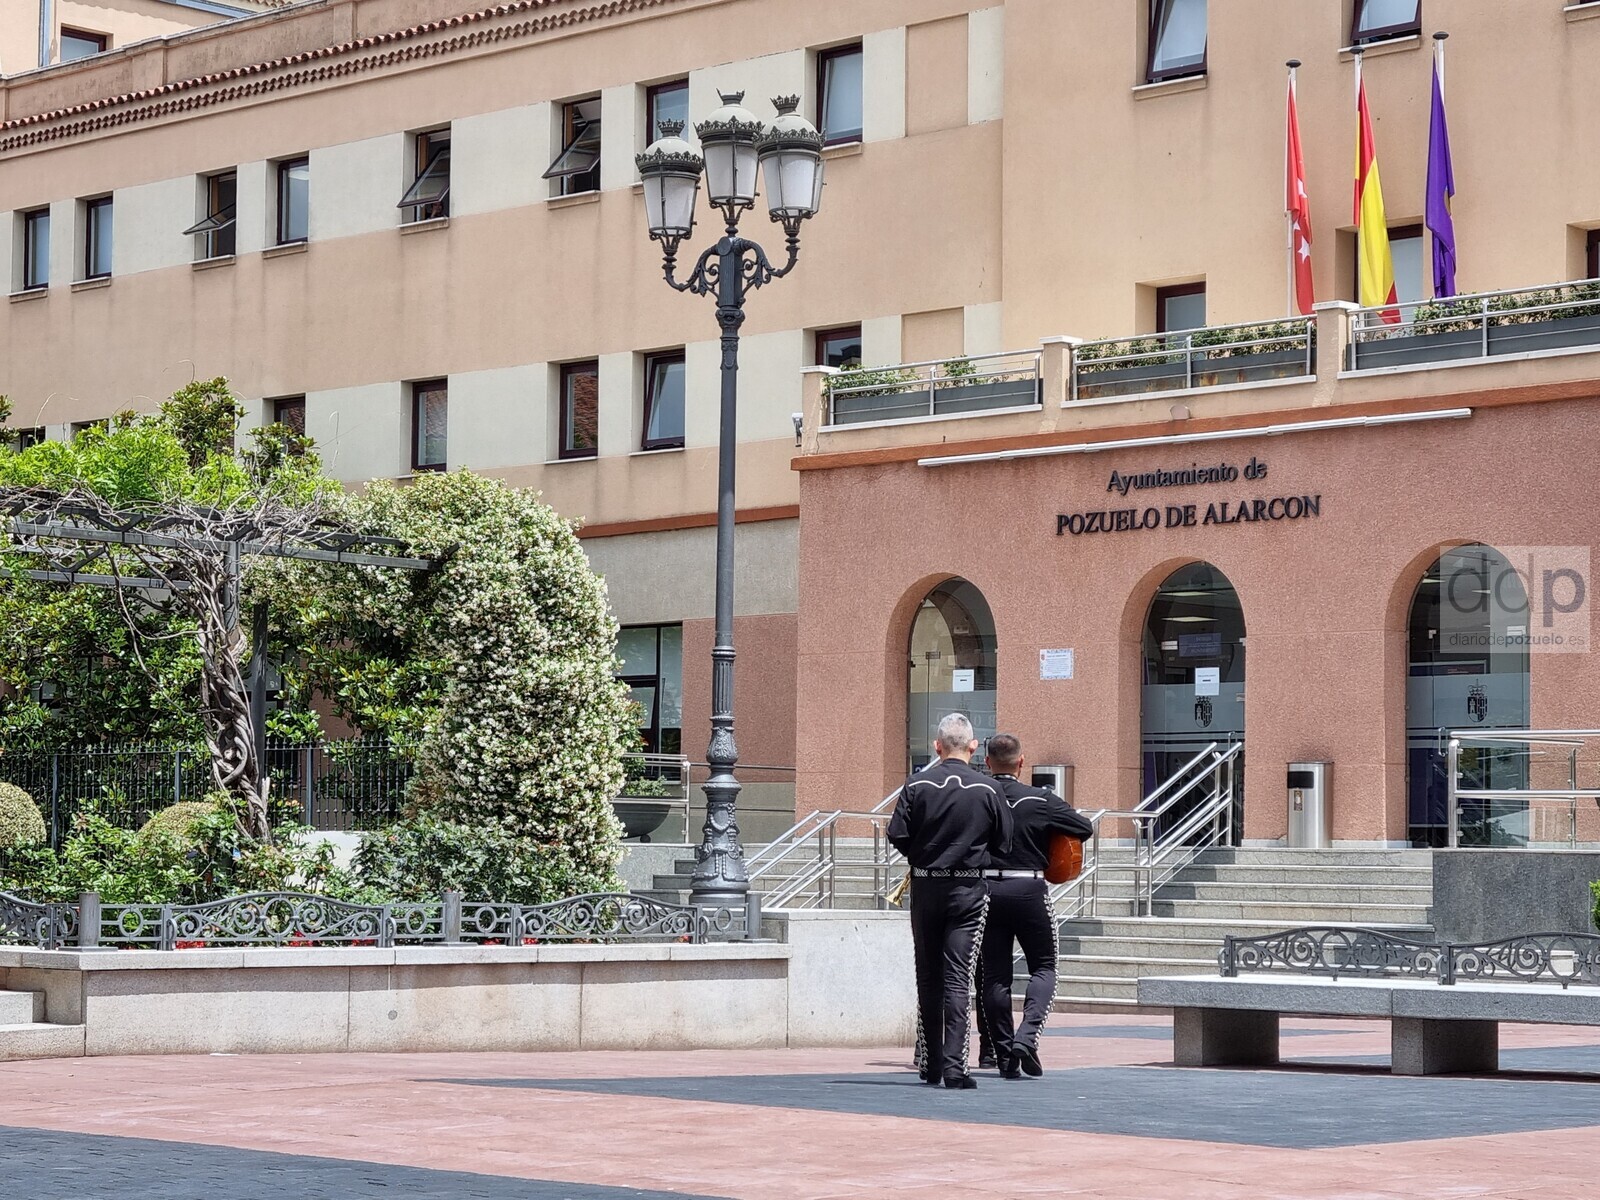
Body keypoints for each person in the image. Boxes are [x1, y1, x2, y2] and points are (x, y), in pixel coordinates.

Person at [888, 712, 1013, 1090]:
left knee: (927, 974)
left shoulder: (917, 785)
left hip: (927, 886)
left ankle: (930, 1063)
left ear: (937, 747)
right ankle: (956, 1066)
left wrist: (924, 855)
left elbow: (898, 834)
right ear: (974, 747)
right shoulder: (988, 790)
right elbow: (1004, 843)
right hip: (968, 889)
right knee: (959, 977)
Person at [977, 732, 1093, 1079]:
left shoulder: (978, 796)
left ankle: (1004, 1053)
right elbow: (1082, 827)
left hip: (987, 889)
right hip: (1029, 887)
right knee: (1045, 966)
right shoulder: (1040, 799)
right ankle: (1026, 1037)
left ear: (987, 762)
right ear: (1021, 762)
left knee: (993, 976)